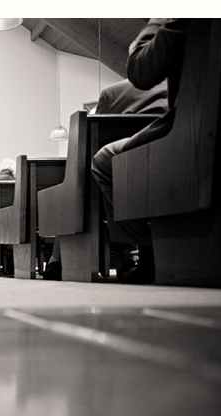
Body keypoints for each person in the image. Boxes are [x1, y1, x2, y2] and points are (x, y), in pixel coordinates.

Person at [91, 18, 193, 284]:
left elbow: (141, 71)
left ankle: (148, 247)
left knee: (102, 162)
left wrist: (157, 23)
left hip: (189, 127)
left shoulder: (187, 17)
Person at [44, 76, 170, 282]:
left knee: (78, 191)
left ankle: (56, 261)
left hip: (118, 177)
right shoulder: (176, 86)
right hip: (171, 164)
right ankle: (131, 259)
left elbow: (92, 137)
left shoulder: (112, 94)